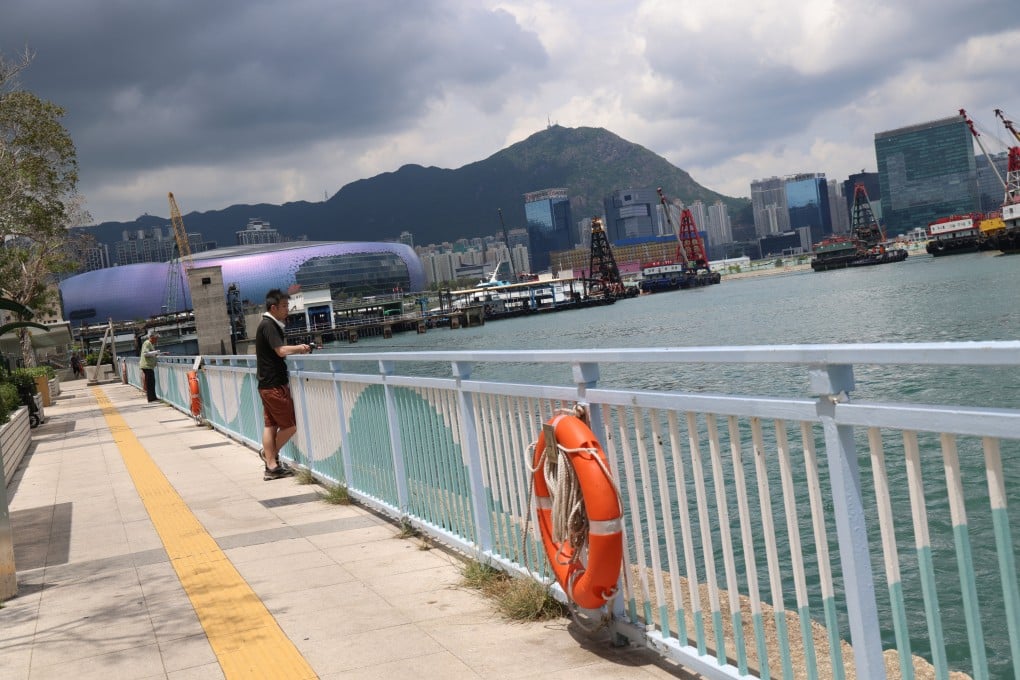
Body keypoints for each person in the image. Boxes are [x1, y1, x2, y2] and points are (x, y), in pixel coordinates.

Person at [255, 288, 312, 481]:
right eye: (284, 306)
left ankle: (271, 466)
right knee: (289, 426)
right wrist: (301, 348)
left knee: (270, 425)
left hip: (266, 384)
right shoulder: (269, 325)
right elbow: (280, 351)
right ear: (273, 308)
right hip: (274, 385)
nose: (287, 309)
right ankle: (269, 458)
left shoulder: (267, 324)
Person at [139, 332, 161, 402]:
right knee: (150, 382)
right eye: (156, 339)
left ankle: (153, 397)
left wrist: (157, 353)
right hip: (147, 366)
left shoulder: (150, 344)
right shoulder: (147, 343)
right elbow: (146, 354)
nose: (156, 340)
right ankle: (151, 398)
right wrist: (156, 352)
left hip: (149, 366)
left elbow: (150, 354)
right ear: (152, 338)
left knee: (152, 382)